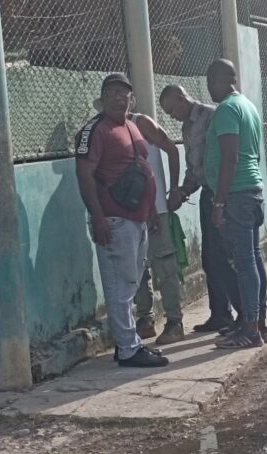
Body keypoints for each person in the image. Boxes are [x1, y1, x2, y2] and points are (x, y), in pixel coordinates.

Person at [75, 73, 169, 367]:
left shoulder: (131, 125)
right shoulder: (94, 130)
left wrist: (151, 210)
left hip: (137, 218)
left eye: (124, 93)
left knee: (130, 283)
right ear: (102, 98)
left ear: (132, 99)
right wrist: (98, 218)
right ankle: (128, 349)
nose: (119, 97)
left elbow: (141, 167)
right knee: (119, 285)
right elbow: (85, 174)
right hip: (113, 219)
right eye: (112, 92)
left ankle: (129, 343)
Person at [159, 84, 245, 334]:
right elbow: (195, 168)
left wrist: (221, 198)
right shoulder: (187, 127)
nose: (171, 116)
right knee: (210, 257)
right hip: (207, 193)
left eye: (171, 109)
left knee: (228, 257)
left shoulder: (212, 115)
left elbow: (225, 157)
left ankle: (244, 315)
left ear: (180, 97)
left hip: (223, 193)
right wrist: (183, 191)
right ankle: (220, 313)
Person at [203, 59, 267, 349]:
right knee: (252, 259)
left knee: (244, 263)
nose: (208, 90)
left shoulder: (228, 109)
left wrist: (219, 202)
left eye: (209, 82)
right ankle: (256, 324)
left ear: (220, 79)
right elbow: (252, 154)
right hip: (250, 190)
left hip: (237, 194)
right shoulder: (248, 106)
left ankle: (251, 329)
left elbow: (230, 157)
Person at [130, 111, 186, 345]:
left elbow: (171, 149)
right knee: (137, 267)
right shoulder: (111, 128)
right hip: (131, 210)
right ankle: (146, 318)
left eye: (123, 94)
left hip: (157, 208)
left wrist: (174, 189)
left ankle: (175, 321)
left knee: (164, 264)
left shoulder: (141, 123)